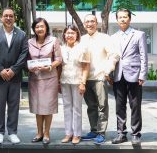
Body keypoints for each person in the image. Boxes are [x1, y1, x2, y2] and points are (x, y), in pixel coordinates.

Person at [0, 7, 28, 144]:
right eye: (6, 16)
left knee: (13, 105)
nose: (8, 18)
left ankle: (12, 132)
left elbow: (24, 54)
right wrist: (0, 70)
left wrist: (13, 70)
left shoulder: (21, 34)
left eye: (11, 16)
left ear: (14, 18)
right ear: (2, 18)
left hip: (14, 77)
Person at [80, 14, 119, 145]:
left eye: (92, 21)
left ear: (97, 23)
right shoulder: (81, 39)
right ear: (84, 24)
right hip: (86, 78)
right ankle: (94, 130)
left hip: (99, 77)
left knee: (102, 106)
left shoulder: (104, 38)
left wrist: (107, 71)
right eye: (87, 22)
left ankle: (101, 133)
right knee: (91, 106)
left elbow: (114, 55)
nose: (90, 24)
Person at [111, 9, 148, 145]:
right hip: (118, 75)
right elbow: (111, 57)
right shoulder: (113, 37)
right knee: (119, 106)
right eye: (120, 17)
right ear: (117, 20)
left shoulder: (139, 34)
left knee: (135, 105)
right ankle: (121, 133)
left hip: (134, 75)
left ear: (129, 19)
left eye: (125, 17)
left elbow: (144, 56)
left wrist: (142, 74)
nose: (122, 19)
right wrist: (110, 74)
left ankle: (136, 134)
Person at [27, 18, 62, 144]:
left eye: (42, 26)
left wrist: (49, 67)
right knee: (37, 106)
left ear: (46, 28)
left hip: (49, 79)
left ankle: (46, 133)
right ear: (34, 29)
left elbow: (59, 59)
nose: (39, 29)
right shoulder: (29, 42)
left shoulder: (54, 40)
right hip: (35, 79)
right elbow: (27, 59)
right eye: (37, 27)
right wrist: (29, 68)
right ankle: (39, 133)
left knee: (48, 107)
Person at [60, 25, 90, 145]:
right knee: (66, 107)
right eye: (67, 33)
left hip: (78, 82)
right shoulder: (61, 48)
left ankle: (77, 134)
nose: (70, 35)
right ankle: (68, 133)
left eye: (72, 33)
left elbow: (86, 66)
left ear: (77, 34)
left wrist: (83, 82)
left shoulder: (83, 47)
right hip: (64, 81)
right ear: (64, 35)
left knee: (77, 108)